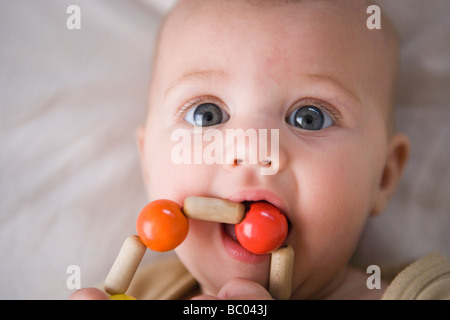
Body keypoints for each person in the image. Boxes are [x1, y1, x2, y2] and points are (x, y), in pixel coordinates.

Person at [70, 0, 450, 300]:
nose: (252, 148)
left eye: (309, 117)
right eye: (207, 114)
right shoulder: (131, 292)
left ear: (383, 177)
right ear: (148, 165)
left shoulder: (423, 293)